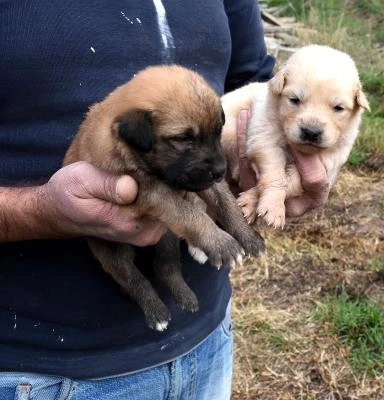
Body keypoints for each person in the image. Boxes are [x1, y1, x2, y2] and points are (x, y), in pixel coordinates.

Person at [0, 2, 329, 399]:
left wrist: (294, 154)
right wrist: (39, 211)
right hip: (42, 369)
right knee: (126, 255)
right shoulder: (125, 134)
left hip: (207, 341)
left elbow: (258, 85)